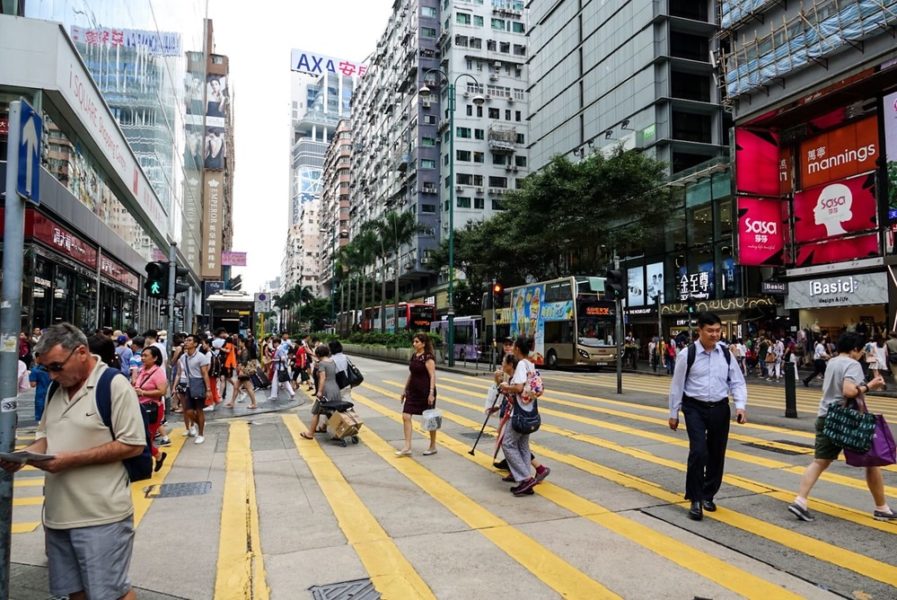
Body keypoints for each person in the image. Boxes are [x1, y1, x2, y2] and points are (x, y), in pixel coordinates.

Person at [0, 323, 145, 600]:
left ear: (81, 352)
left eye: (57, 366)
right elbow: (45, 436)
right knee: (73, 593)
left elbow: (133, 444)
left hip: (101, 516)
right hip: (57, 516)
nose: (53, 375)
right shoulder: (57, 389)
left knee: (111, 594)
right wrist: (25, 456)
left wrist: (72, 460)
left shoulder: (113, 385)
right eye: (47, 370)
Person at [788, 332, 897, 522]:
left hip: (826, 415)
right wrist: (870, 385)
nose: (862, 354)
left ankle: (800, 501)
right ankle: (882, 508)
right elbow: (849, 391)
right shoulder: (852, 364)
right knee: (872, 461)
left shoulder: (833, 362)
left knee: (820, 461)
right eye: (861, 350)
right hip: (848, 420)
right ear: (854, 349)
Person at [668, 312, 748, 521]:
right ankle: (695, 499)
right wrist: (673, 413)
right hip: (694, 407)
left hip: (720, 407)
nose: (715, 335)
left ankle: (708, 494)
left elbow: (737, 381)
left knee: (716, 453)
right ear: (700, 331)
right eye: (710, 331)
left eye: (717, 330)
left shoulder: (726, 353)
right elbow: (677, 385)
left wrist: (740, 406)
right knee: (698, 452)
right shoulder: (687, 354)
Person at [497, 336, 546, 497]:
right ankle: (527, 481)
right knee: (523, 446)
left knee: (508, 444)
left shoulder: (521, 366)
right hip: (530, 410)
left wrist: (505, 386)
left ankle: (525, 479)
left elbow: (518, 388)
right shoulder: (531, 364)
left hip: (518, 413)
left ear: (517, 349)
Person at [396, 333, 438, 457]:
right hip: (413, 391)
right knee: (406, 416)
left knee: (430, 419)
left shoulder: (428, 357)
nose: (414, 344)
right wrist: (404, 389)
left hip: (425, 392)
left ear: (423, 344)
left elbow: (432, 375)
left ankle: (433, 446)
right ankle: (407, 446)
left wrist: (431, 393)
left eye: (417, 342)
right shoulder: (414, 356)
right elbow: (411, 374)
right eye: (414, 342)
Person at [133, 345, 170, 470]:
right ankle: (157, 455)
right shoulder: (142, 369)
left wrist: (143, 393)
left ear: (155, 358)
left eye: (145, 356)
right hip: (140, 407)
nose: (142, 358)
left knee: (146, 438)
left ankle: (155, 457)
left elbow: (162, 391)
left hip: (153, 409)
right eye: (142, 355)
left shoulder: (158, 372)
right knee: (140, 437)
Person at [175, 334, 212, 444]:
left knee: (199, 410)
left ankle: (201, 434)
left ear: (195, 344)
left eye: (189, 340)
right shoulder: (183, 357)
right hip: (188, 385)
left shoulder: (201, 357)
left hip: (199, 384)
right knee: (188, 411)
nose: (186, 342)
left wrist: (208, 389)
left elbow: (205, 374)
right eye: (186, 340)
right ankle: (200, 423)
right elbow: (181, 372)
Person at [299, 345, 341, 440]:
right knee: (333, 411)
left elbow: (322, 378)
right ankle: (338, 432)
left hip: (326, 389)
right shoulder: (332, 361)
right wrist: (310, 352)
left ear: (318, 354)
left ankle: (310, 434)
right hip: (335, 388)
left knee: (316, 412)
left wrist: (319, 391)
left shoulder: (322, 364)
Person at [226, 337, 258, 409]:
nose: (238, 343)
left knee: (248, 388)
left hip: (244, 372)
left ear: (243, 343)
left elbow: (243, 362)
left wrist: (240, 371)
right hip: (243, 371)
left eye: (240, 342)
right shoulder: (243, 350)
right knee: (236, 386)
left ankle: (254, 403)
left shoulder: (245, 351)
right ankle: (232, 402)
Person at [268, 333, 296, 401]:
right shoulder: (280, 348)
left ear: (278, 343)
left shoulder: (279, 349)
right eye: (274, 343)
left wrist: (274, 360)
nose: (274, 344)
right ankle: (292, 393)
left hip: (279, 368)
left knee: (275, 382)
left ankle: (273, 395)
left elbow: (283, 358)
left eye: (275, 343)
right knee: (285, 382)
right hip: (281, 368)